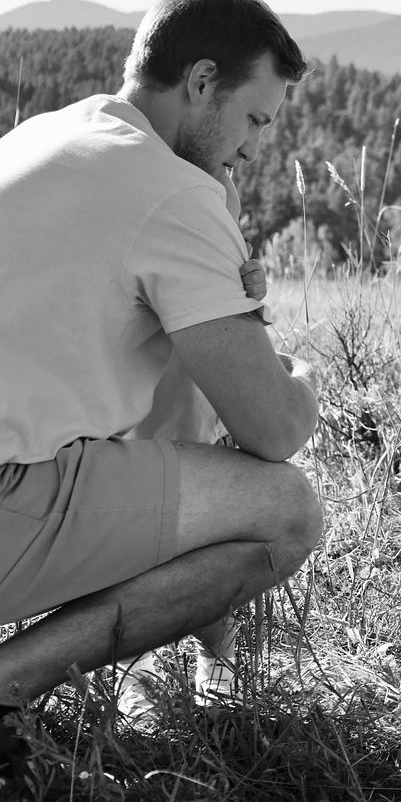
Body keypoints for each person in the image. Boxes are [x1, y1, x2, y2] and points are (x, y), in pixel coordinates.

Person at [0, 0, 323, 779]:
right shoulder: (172, 192)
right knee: (287, 512)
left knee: (181, 358)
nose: (253, 148)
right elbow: (275, 428)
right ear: (203, 81)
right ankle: (7, 687)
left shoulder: (46, 135)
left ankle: (184, 659)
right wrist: (302, 374)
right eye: (255, 120)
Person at [114, 170, 266, 728]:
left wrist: (249, 289)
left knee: (209, 565)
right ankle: (133, 679)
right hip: (131, 431)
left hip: (198, 423)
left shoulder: (214, 187)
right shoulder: (136, 197)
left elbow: (239, 319)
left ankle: (217, 674)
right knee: (128, 570)